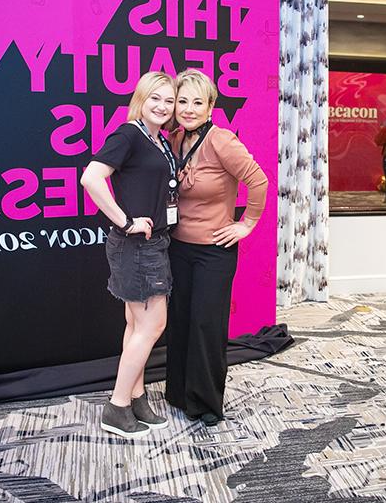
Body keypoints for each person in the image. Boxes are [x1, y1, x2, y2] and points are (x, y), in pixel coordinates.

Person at [165, 69, 268, 426]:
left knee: (206, 325)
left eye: (197, 102)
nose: (189, 109)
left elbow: (258, 180)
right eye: (182, 101)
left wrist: (247, 224)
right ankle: (178, 392)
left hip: (213, 250)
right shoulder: (175, 140)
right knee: (179, 321)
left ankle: (206, 403)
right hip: (177, 247)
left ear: (210, 107)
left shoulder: (221, 140)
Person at [81, 71, 178, 438]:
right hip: (137, 245)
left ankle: (136, 398)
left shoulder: (158, 140)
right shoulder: (129, 134)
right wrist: (125, 221)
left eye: (169, 101)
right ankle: (117, 406)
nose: (163, 106)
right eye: (156, 98)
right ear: (141, 98)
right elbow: (91, 178)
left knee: (137, 325)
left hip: (153, 244)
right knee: (153, 325)